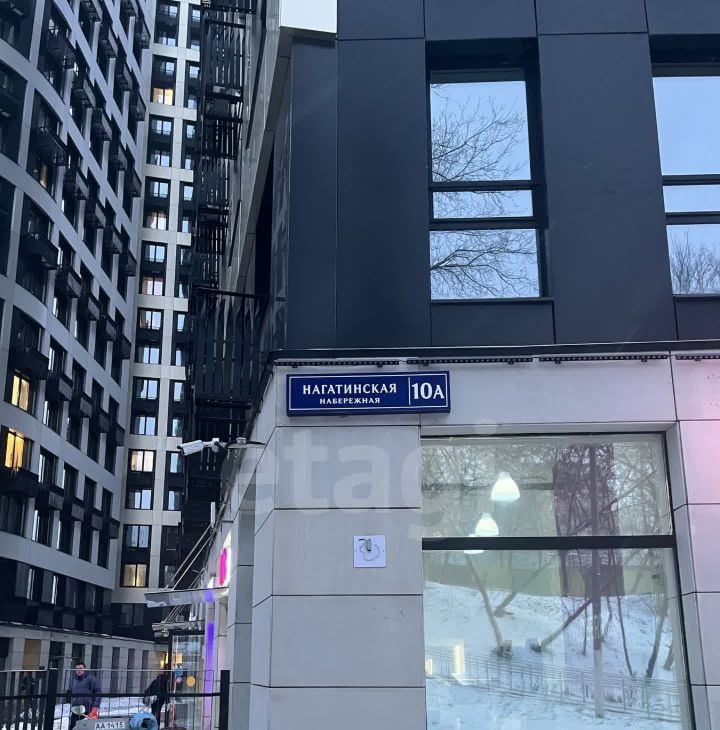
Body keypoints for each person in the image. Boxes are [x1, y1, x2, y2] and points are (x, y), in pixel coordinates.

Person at [64, 663, 100, 730]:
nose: (79, 670)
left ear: (84, 669)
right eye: (77, 669)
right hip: (76, 709)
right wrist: (68, 698)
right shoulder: (73, 679)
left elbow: (98, 693)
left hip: (88, 709)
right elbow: (70, 691)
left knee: (87, 728)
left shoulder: (91, 679)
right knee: (73, 727)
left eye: (80, 668)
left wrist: (95, 707)